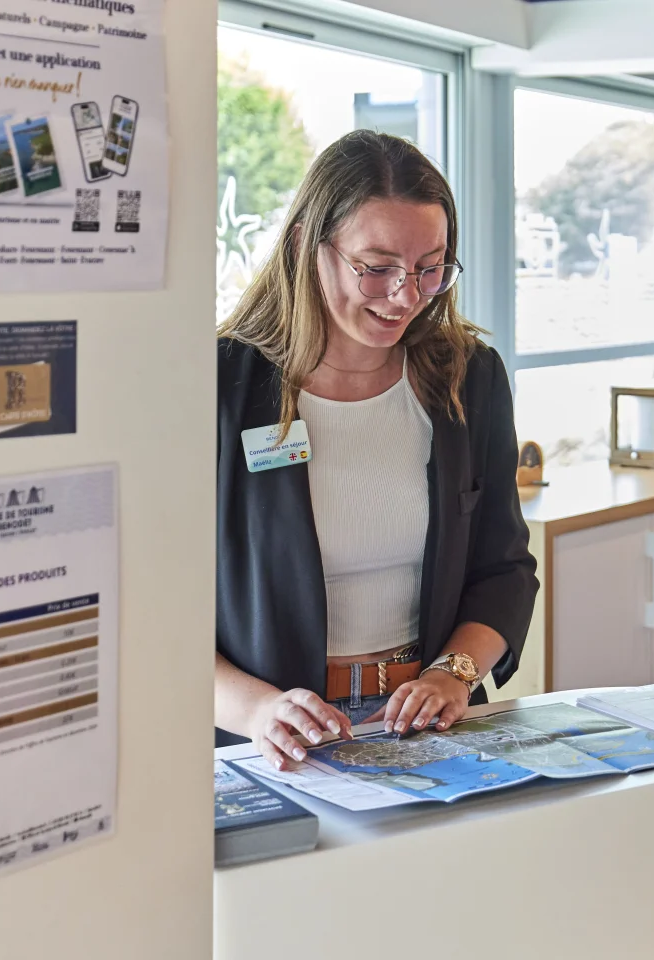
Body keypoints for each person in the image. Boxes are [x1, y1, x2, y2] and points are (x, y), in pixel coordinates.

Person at [215, 131, 538, 771]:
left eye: (430, 267)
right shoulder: (221, 383)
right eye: (379, 265)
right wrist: (256, 711)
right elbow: (150, 606)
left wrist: (454, 674)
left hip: (425, 734)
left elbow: (503, 571)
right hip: (267, 743)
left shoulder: (468, 378)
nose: (406, 295)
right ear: (311, 243)